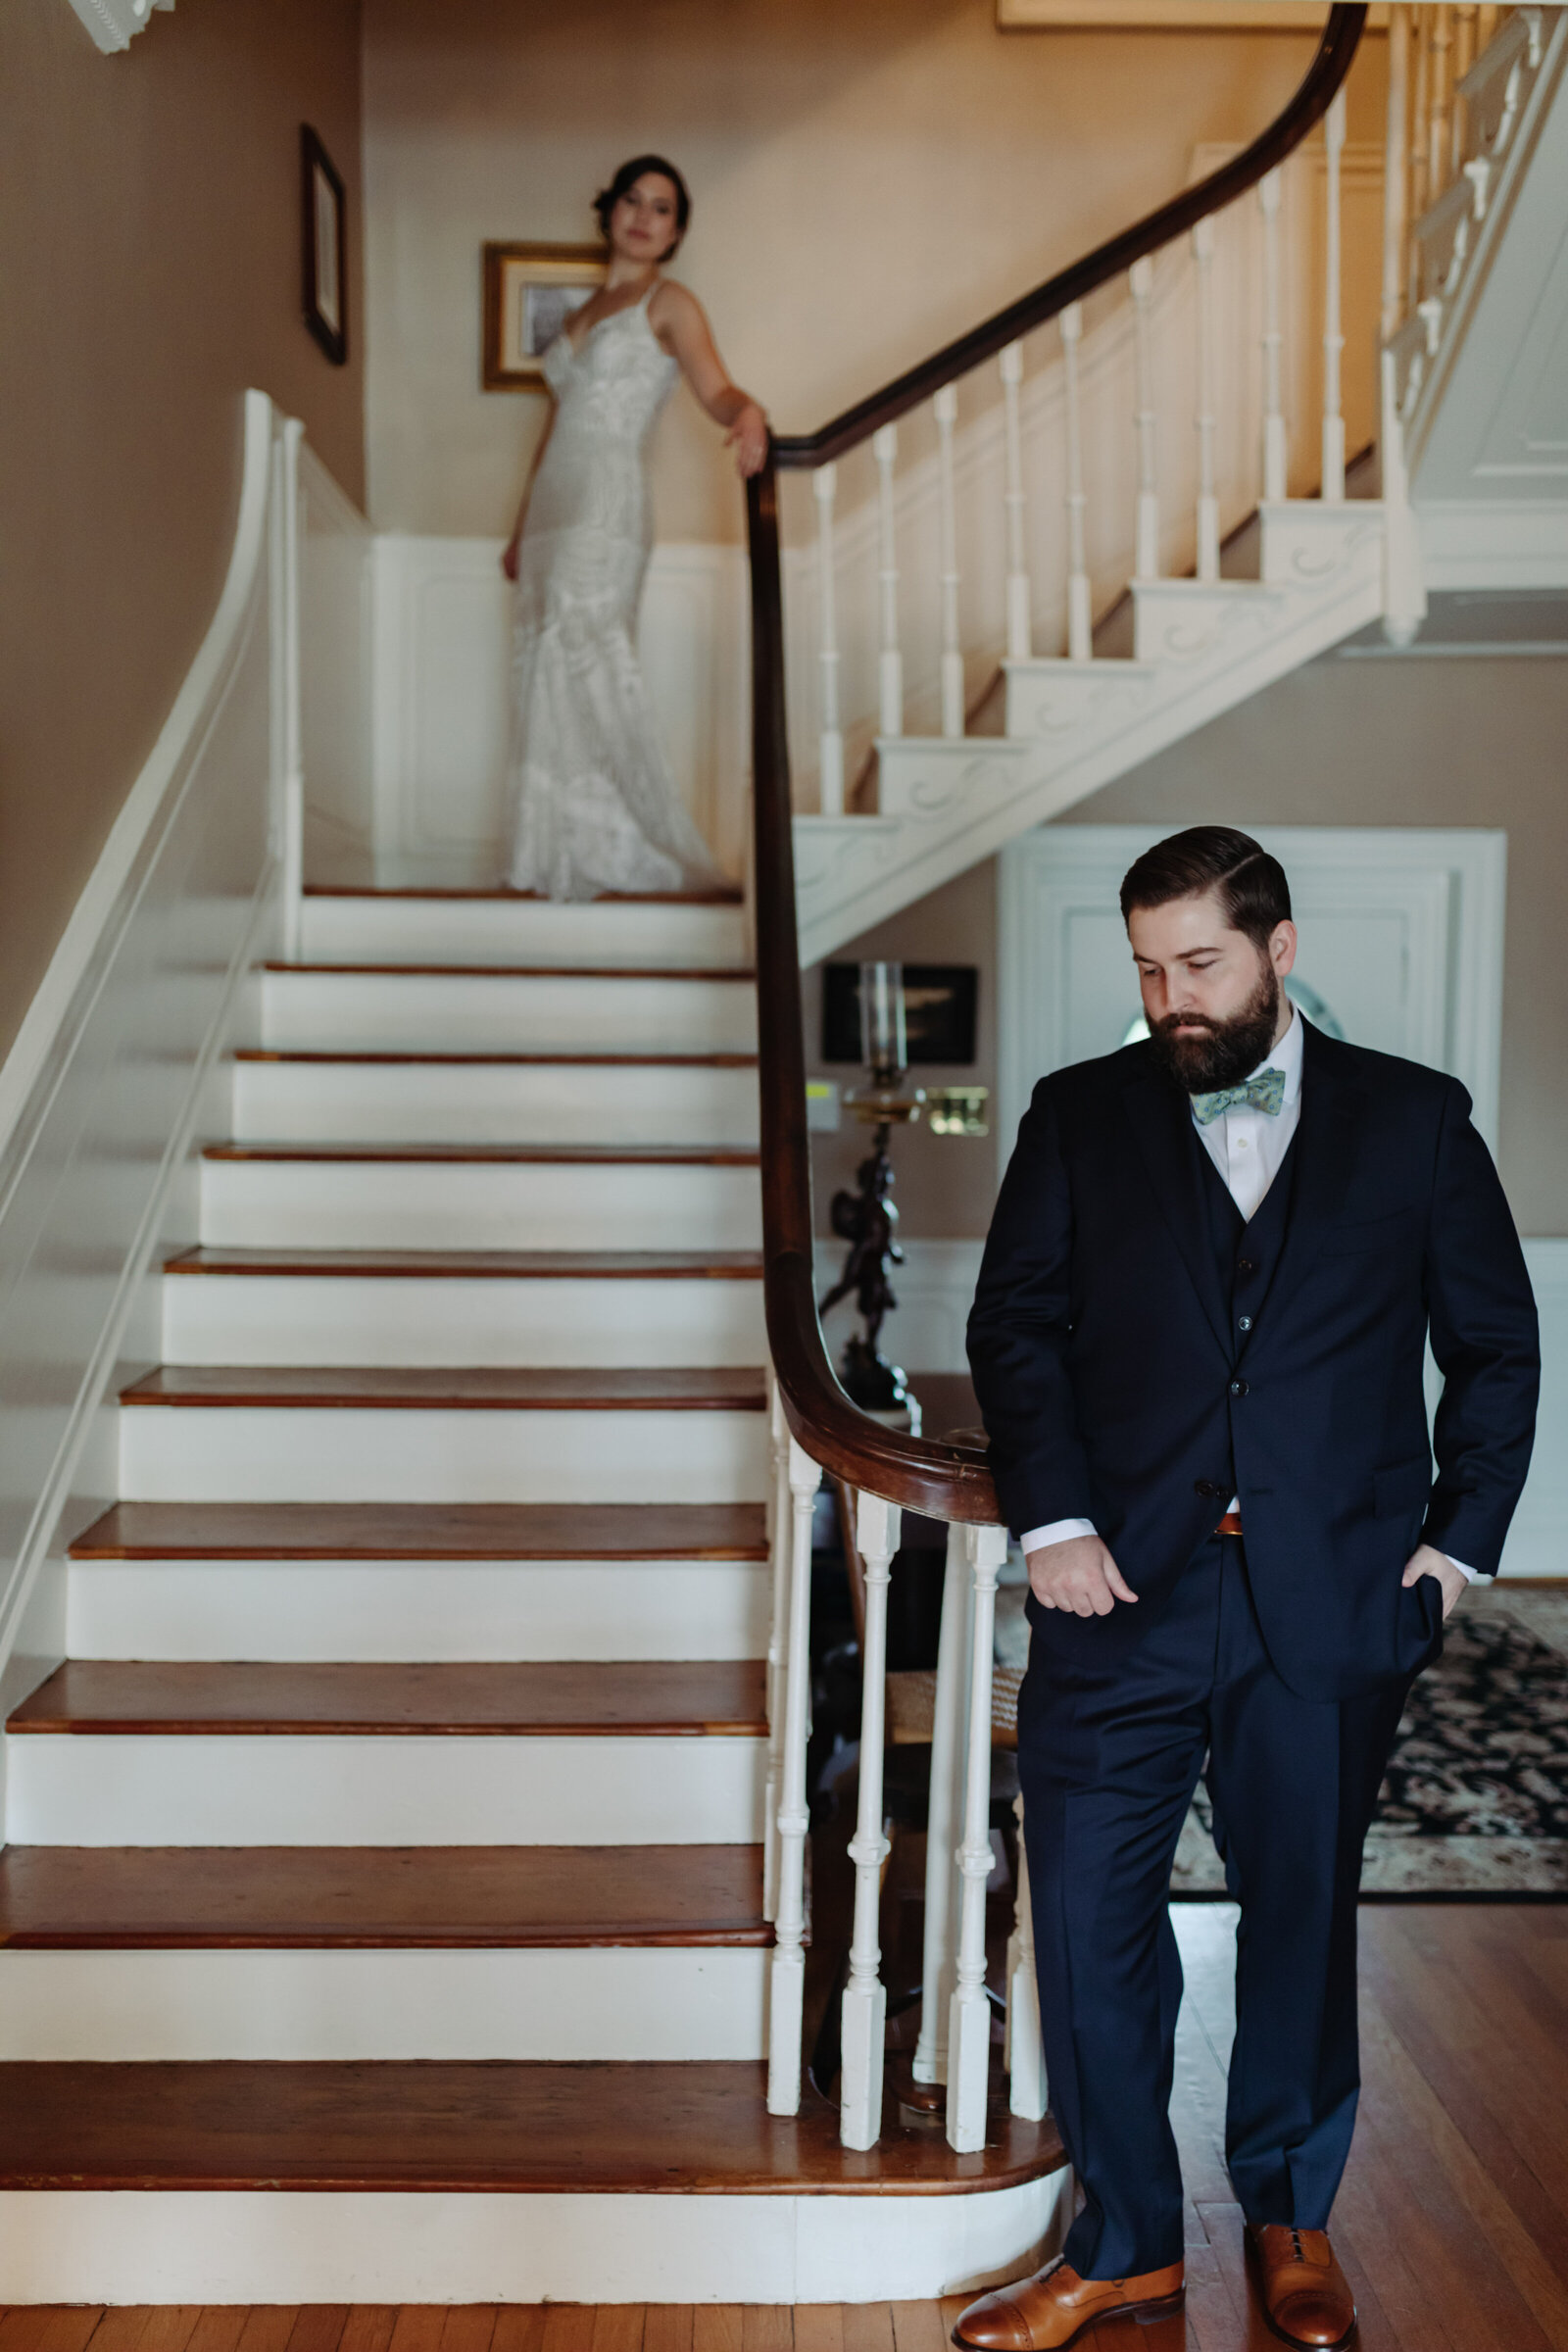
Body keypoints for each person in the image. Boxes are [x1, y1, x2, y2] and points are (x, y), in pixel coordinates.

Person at [957, 826, 1539, 2352]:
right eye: (1148, 969)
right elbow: (1014, 1326)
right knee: (1086, 1920)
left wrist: (1455, 1547)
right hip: (1117, 1593)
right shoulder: (1078, 1116)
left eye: (1200, 965)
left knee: (1300, 1917)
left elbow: (1496, 1347)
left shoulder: (1416, 1124)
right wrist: (1057, 1521)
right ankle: (1129, 2243)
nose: (1171, 1000)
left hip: (1335, 1595)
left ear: (1280, 951)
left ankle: (1290, 2219)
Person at [500, 155, 767, 901]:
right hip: (556, 502)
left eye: (661, 209)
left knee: (589, 655)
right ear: (609, 209)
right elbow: (554, 427)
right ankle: (556, 847)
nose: (643, 218)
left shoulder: (669, 300)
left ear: (675, 231)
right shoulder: (582, 310)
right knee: (545, 663)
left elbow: (716, 387)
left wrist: (747, 412)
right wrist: (523, 529)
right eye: (632, 201)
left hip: (608, 503)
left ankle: (622, 845)